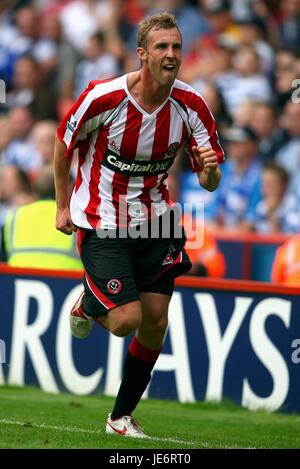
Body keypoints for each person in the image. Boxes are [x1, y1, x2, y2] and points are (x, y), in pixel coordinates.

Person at [54, 12, 224, 438]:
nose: (171, 54)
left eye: (177, 47)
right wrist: (62, 207)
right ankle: (89, 303)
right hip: (101, 218)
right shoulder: (104, 97)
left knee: (156, 320)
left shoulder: (192, 106)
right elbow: (63, 145)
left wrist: (208, 173)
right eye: (162, 47)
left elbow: (210, 180)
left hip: (156, 220)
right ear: (143, 54)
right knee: (126, 319)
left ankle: (119, 419)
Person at [3, 166, 82, 271]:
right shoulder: (75, 217)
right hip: (67, 282)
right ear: (68, 188)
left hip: (18, 281)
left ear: (35, 190)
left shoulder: (14, 216)